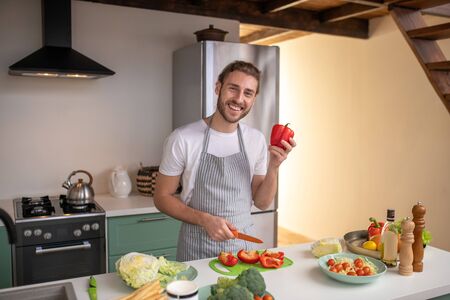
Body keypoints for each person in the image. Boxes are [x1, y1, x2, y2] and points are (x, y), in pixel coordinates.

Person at [154, 60, 296, 261]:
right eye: (233, 89)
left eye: (248, 93)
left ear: (254, 99)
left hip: (242, 248)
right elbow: (161, 197)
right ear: (218, 88)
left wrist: (274, 167)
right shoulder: (182, 138)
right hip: (197, 247)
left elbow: (262, 202)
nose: (239, 99)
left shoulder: (256, 140)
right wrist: (204, 220)